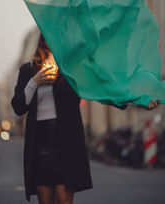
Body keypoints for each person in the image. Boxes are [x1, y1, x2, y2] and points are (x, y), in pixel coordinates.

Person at [11, 33, 159, 204]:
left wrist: (138, 100)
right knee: (45, 200)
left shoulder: (74, 69)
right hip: (40, 144)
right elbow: (18, 107)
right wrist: (34, 82)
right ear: (43, 39)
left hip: (66, 141)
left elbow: (103, 89)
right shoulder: (28, 69)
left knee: (64, 198)